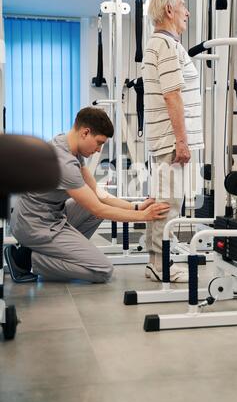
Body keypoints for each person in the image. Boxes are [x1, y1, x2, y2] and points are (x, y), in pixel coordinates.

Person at [5, 106, 169, 283]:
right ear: (85, 132)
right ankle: (25, 260)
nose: (99, 150)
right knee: (102, 270)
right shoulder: (64, 163)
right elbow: (99, 209)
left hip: (48, 215)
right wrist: (143, 216)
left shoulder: (67, 144)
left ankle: (51, 251)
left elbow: (97, 193)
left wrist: (135, 207)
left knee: (90, 209)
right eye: (99, 142)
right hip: (34, 225)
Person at [141, 0, 204, 282]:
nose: (187, 13)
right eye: (184, 7)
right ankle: (159, 262)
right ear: (169, 10)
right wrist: (181, 140)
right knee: (168, 202)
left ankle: (156, 258)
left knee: (163, 199)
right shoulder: (165, 45)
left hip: (166, 136)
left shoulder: (161, 44)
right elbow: (172, 96)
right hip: (170, 137)